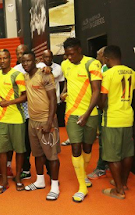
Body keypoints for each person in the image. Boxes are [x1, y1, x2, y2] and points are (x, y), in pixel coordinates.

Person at [61, 38, 102, 202]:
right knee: (75, 147)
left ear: (79, 50)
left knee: (87, 147)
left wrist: (86, 114)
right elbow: (67, 81)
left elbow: (97, 91)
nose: (69, 58)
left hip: (90, 114)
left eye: (71, 54)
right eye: (67, 55)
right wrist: (64, 92)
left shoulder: (92, 64)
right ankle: (82, 187)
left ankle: (83, 174)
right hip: (71, 113)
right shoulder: (65, 65)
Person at [22, 51, 61, 200]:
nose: (26, 64)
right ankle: (40, 181)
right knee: (37, 153)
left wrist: (49, 122)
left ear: (35, 61)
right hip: (32, 121)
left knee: (51, 155)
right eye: (23, 61)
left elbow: (53, 99)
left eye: (28, 61)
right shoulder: (26, 76)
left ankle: (55, 186)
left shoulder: (45, 74)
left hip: (46, 120)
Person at [99, 45, 135, 199]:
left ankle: (118, 190)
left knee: (112, 155)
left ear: (107, 59)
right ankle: (124, 183)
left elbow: (102, 101)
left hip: (112, 118)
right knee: (127, 153)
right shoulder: (131, 72)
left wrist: (100, 105)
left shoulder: (108, 74)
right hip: (127, 117)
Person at [0, 49, 27, 193]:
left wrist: (9, 103)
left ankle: (18, 178)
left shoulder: (17, 74)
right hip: (2, 119)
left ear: (10, 59)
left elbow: (25, 96)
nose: (2, 61)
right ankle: (4, 180)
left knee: (19, 150)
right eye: (0, 59)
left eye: (5, 58)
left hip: (17, 119)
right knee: (1, 150)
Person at [87, 46, 109, 179]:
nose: (97, 58)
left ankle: (101, 167)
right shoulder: (103, 68)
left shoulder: (106, 70)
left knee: (103, 140)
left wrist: (99, 106)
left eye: (98, 55)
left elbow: (102, 92)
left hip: (106, 110)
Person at [13, 44, 32, 179]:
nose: (21, 56)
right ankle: (26, 169)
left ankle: (47, 174)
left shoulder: (41, 68)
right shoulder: (15, 70)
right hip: (23, 113)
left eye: (23, 53)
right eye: (18, 54)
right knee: (25, 143)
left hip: (37, 112)